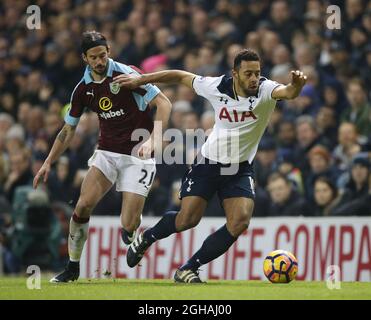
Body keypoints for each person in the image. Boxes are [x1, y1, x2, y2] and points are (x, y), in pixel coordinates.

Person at [113, 48, 307, 283]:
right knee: (187, 220)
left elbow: (288, 92)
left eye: (257, 73)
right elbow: (180, 75)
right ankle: (147, 238)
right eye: (248, 74)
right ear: (235, 74)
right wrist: (142, 79)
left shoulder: (266, 90)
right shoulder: (216, 86)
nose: (254, 78)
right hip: (209, 163)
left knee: (240, 222)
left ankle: (188, 268)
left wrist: (296, 86)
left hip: (239, 168)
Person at [33, 31, 172, 283]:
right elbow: (68, 129)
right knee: (83, 205)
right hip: (107, 152)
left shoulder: (127, 74)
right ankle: (72, 268)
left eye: (103, 55)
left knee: (128, 224)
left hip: (137, 155)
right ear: (84, 58)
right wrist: (48, 161)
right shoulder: (83, 88)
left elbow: (164, 103)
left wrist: (154, 139)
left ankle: (132, 227)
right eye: (94, 57)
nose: (100, 61)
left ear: (109, 50)